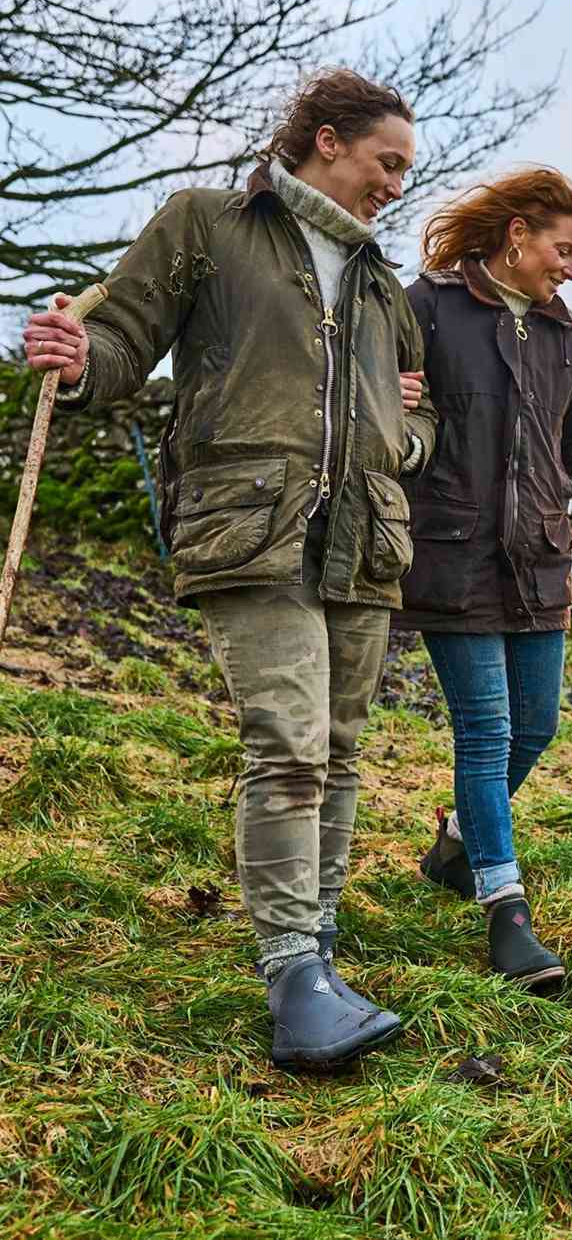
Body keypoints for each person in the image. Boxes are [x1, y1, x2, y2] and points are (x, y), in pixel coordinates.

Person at [22, 69, 438, 1069]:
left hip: (365, 535)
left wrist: (404, 434)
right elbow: (123, 336)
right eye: (387, 163)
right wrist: (79, 360)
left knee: (337, 748)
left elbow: (416, 409)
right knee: (288, 740)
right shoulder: (205, 222)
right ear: (328, 140)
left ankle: (322, 954)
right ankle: (293, 969)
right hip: (247, 525)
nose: (395, 185)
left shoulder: (381, 284)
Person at [395, 167, 572, 988]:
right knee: (485, 731)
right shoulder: (426, 307)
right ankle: (506, 911)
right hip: (451, 555)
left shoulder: (568, 339)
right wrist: (387, 391)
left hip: (541, 560)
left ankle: (456, 839)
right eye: (564, 248)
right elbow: (368, 404)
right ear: (518, 235)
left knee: (537, 727)